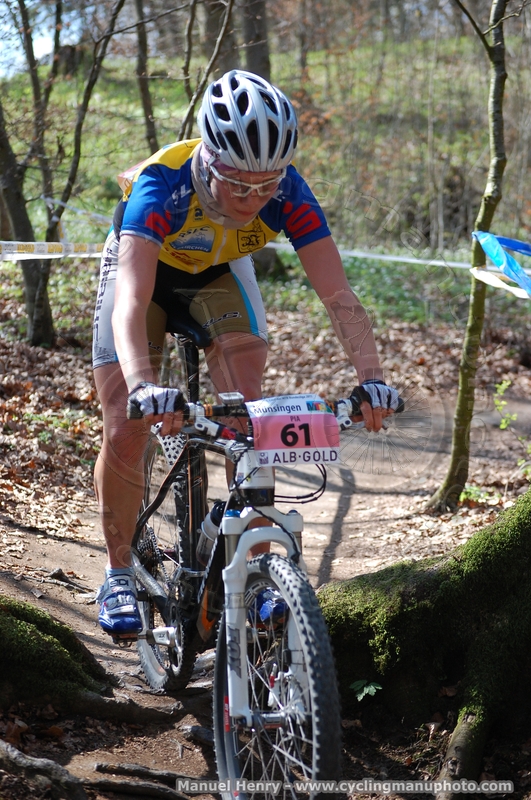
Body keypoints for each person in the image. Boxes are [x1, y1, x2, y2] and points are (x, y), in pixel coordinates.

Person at [92, 69, 400, 639]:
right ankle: (117, 572)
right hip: (144, 276)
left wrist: (373, 377)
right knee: (124, 421)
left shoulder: (288, 192)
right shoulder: (162, 186)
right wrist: (141, 385)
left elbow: (338, 295)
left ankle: (255, 567)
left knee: (248, 410)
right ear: (209, 160)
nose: (254, 199)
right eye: (239, 185)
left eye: (267, 186)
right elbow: (130, 301)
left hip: (218, 274)